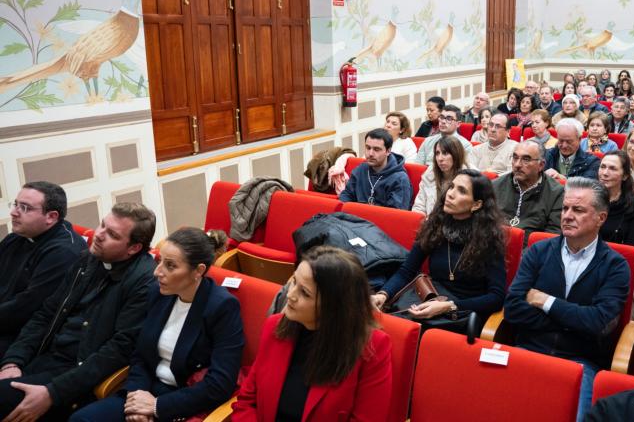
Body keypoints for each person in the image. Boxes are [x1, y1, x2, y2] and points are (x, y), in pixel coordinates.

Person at [0, 203, 157, 420]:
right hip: (44, 356)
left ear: (133, 248)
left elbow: (117, 351)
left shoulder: (144, 282)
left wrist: (52, 393)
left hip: (75, 377)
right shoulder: (88, 259)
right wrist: (13, 361)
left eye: (112, 234)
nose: (99, 234)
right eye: (102, 225)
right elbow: (47, 313)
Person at [70, 228, 244, 422]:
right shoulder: (158, 293)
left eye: (170, 266)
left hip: (183, 400)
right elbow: (140, 355)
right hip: (144, 389)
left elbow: (220, 383)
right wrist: (136, 400)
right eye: (160, 260)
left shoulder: (222, 306)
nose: (157, 272)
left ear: (198, 271)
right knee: (82, 419)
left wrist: (156, 407)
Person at [504, 178, 631, 421]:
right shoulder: (539, 251)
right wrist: (575, 320)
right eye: (565, 208)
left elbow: (599, 324)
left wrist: (546, 302)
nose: (568, 215)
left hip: (580, 363)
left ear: (601, 218)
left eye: (579, 210)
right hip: (529, 350)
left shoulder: (615, 266)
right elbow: (512, 309)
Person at [232, 246, 392, 421]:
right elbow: (247, 400)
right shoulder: (275, 326)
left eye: (305, 293)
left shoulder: (372, 347)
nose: (291, 295)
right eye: (294, 282)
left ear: (333, 307)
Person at [373, 170, 506, 330]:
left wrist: (449, 306)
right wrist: (383, 294)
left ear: (476, 204)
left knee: (411, 329)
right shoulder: (435, 224)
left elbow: (496, 297)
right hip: (429, 296)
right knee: (385, 324)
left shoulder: (488, 239)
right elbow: (407, 271)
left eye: (461, 191)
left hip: (461, 310)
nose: (450, 194)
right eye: (451, 187)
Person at [0, 182, 84, 356]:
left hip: (21, 336)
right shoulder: (17, 236)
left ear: (51, 217)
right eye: (16, 204)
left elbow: (26, 308)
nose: (14, 212)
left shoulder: (63, 252)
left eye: (25, 208)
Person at [493, 140, 564, 236]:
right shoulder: (495, 186)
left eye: (526, 159)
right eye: (515, 157)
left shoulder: (557, 193)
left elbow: (552, 234)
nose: (517, 164)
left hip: (534, 249)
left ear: (541, 165)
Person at [339, 129, 412, 209]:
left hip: (382, 220)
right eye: (368, 148)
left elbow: (395, 215)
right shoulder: (361, 169)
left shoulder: (400, 179)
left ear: (388, 151)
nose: (370, 154)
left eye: (376, 149)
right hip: (355, 218)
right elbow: (346, 196)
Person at [598, 151, 634, 248]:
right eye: (602, 167)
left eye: (612, 168)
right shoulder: (587, 199)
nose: (605, 173)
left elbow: (631, 249)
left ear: (625, 176)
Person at [413, 136, 469, 216]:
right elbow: (419, 207)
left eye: (445, 153)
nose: (440, 158)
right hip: (429, 224)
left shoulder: (468, 178)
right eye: (437, 153)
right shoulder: (429, 175)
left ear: (456, 155)